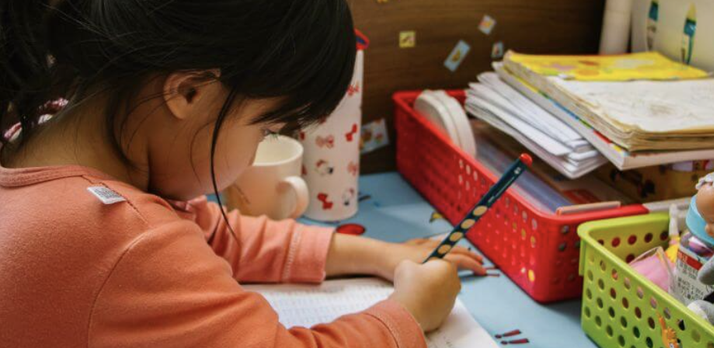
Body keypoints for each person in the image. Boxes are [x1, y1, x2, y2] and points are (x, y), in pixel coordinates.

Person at [0, 1, 485, 347]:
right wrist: (410, 314)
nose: (256, 154)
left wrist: (379, 254)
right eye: (267, 129)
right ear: (188, 92)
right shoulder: (120, 238)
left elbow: (210, 235)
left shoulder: (42, 127)